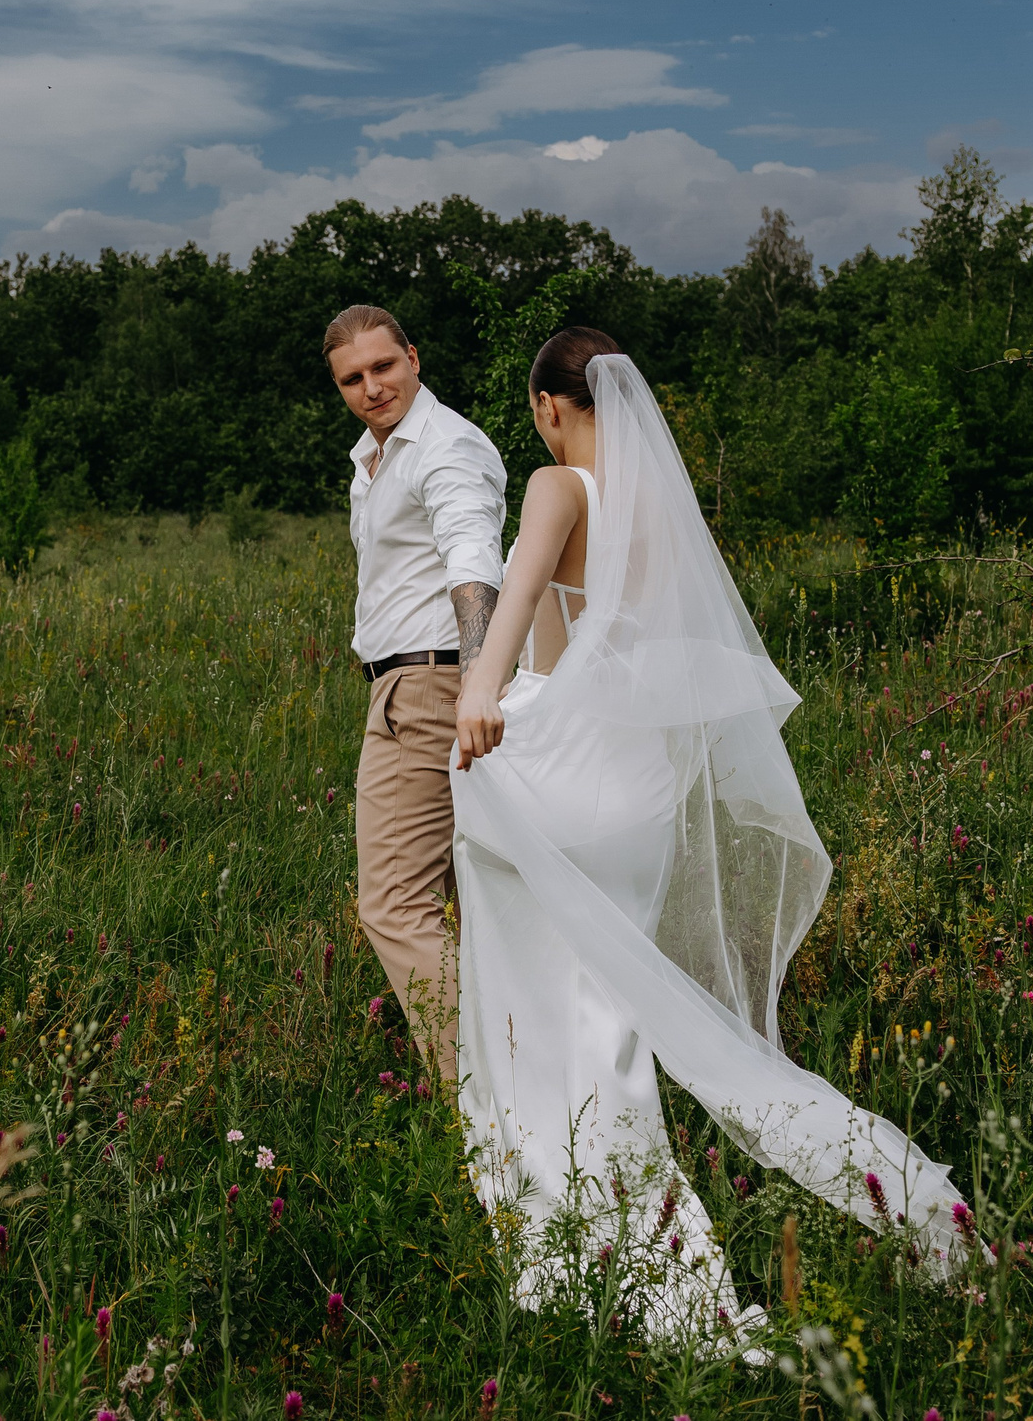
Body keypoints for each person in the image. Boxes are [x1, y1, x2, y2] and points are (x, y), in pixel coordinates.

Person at [447, 326, 976, 1338]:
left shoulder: (557, 485)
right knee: (619, 1019)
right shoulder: (663, 511)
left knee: (545, 1008)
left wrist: (478, 693)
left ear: (548, 408)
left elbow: (517, 602)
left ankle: (584, 1242)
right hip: (638, 795)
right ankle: (909, 1202)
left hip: (560, 782)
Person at [324, 303, 505, 1087]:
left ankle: (488, 1101)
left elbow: (473, 556)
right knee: (482, 901)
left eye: (383, 366)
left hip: (434, 686)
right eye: (352, 378)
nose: (371, 387)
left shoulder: (446, 445)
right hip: (412, 685)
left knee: (395, 904)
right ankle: (528, 1077)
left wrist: (479, 681)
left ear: (414, 357)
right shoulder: (371, 458)